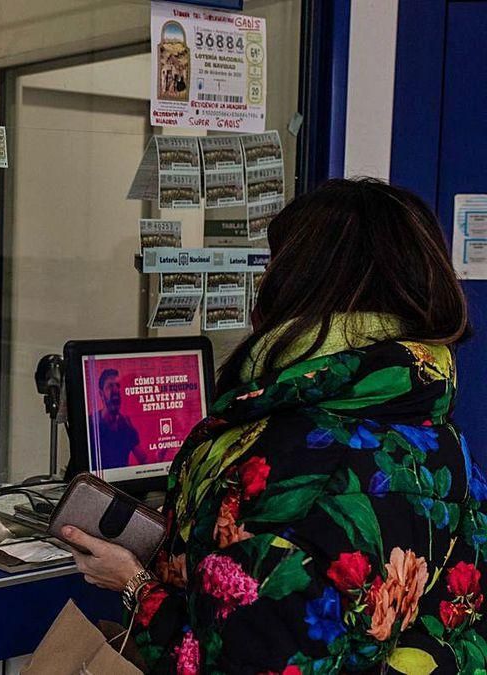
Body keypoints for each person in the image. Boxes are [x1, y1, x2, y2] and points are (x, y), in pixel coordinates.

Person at [62, 179, 487, 673]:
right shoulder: (436, 431)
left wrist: (135, 585)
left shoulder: (294, 461)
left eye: (274, 266)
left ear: (303, 284)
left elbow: (243, 659)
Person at [91, 368, 140, 470]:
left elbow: (144, 460)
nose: (115, 390)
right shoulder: (91, 424)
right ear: (101, 394)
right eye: (110, 386)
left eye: (118, 386)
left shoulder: (126, 424)